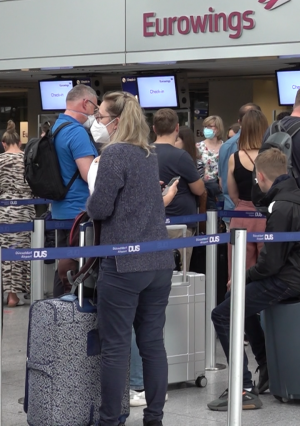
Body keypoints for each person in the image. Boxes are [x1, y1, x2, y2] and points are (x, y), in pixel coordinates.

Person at [208, 148, 300, 412]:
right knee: (234, 299)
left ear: (259, 176)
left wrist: (242, 276)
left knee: (222, 314)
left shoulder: (281, 206)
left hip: (288, 280)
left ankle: (243, 387)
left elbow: (271, 263)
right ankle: (266, 363)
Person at [86, 91, 174, 426]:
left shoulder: (115, 155)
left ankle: (111, 420)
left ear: (116, 121)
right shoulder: (147, 153)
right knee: (153, 344)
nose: (98, 123)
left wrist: (90, 205)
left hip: (123, 263)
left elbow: (101, 207)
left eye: (102, 117)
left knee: (116, 348)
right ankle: (155, 418)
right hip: (158, 261)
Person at [50, 84, 100, 297]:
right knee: (77, 272)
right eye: (96, 108)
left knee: (63, 267)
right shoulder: (76, 132)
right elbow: (88, 174)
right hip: (79, 211)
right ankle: (72, 318)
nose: (96, 114)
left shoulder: (57, 127)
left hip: (61, 208)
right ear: (85, 103)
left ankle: (58, 314)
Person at [152, 109, 206, 269]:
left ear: (154, 129)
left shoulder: (143, 152)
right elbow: (198, 189)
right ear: (176, 128)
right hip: (179, 224)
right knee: (179, 277)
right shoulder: (181, 156)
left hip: (151, 223)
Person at [226, 109, 268, 280]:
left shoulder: (234, 158)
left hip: (241, 216)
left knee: (238, 271)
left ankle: (238, 305)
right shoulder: (272, 158)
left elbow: (232, 193)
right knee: (267, 269)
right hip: (268, 216)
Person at [0, 123, 35, 306]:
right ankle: (29, 290)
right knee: (24, 251)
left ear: (3, 143)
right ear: (20, 143)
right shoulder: (27, 160)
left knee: (7, 252)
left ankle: (10, 295)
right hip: (25, 211)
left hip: (4, 212)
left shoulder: (0, 161)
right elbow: (36, 188)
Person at [219, 103, 262, 220]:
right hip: (263, 213)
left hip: (235, 211)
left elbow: (223, 182)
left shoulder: (227, 146)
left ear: (239, 122)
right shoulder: (271, 147)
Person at [197, 115, 225, 184]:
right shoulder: (198, 147)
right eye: (205, 127)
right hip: (205, 187)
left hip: (222, 187)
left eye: (210, 126)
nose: (206, 129)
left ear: (218, 128)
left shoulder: (225, 147)